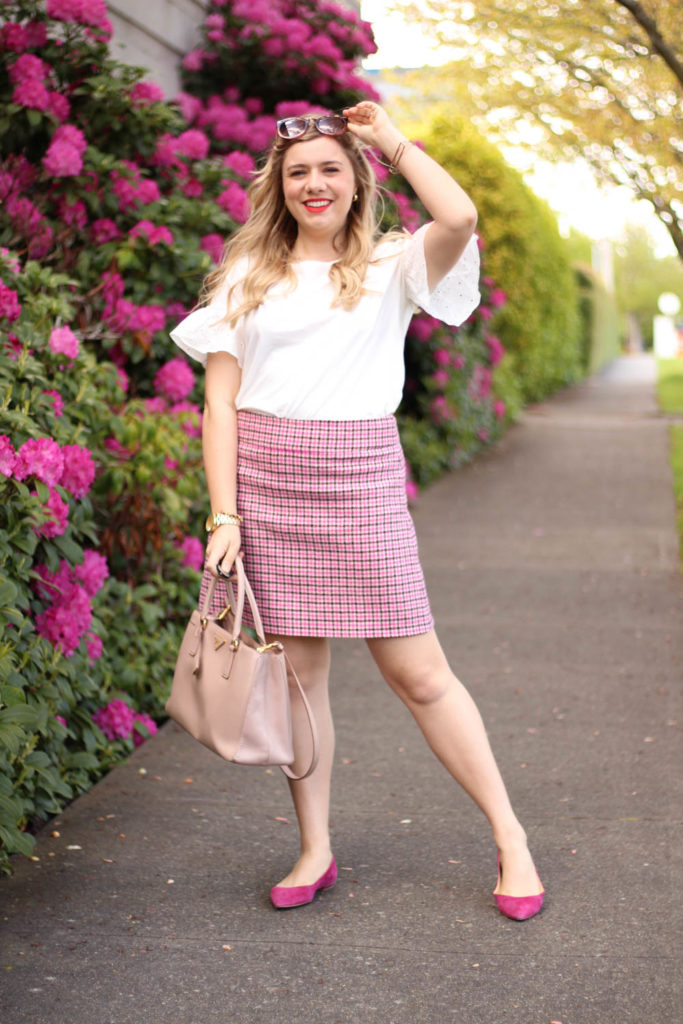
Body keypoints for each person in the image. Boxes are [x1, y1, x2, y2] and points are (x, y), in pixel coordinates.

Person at [171, 100, 545, 920]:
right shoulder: (244, 278)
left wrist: (393, 140)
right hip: (267, 485)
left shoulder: (393, 264)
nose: (313, 184)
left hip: (360, 476)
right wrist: (222, 517)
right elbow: (222, 408)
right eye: (298, 172)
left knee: (419, 674)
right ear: (279, 185)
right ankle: (314, 847)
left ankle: (511, 839)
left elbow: (460, 213)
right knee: (299, 680)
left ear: (354, 182)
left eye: (329, 170)